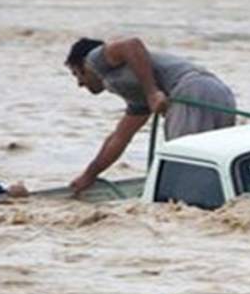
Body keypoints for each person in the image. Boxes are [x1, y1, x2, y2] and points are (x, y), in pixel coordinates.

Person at [64, 36, 237, 194]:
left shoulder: (95, 59)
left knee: (183, 162)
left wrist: (152, 92)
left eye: (76, 74)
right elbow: (119, 138)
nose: (80, 83)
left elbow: (131, 44)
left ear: (83, 64)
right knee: (208, 162)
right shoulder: (135, 94)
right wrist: (89, 175)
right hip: (219, 93)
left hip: (191, 90)